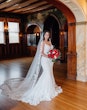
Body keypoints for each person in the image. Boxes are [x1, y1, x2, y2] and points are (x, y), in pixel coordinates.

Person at [0, 30, 62, 106]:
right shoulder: (42, 42)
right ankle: (44, 90)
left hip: (50, 61)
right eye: (46, 34)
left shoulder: (50, 42)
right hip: (44, 60)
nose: (47, 36)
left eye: (48, 34)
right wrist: (49, 56)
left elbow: (51, 50)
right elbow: (41, 53)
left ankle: (50, 87)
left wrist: (53, 56)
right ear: (43, 35)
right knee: (47, 73)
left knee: (50, 73)